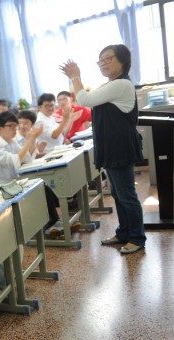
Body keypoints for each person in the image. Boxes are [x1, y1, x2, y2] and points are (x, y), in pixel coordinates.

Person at [61, 44, 146, 254]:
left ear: (123, 61)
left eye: (109, 58)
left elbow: (85, 99)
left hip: (120, 147)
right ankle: (124, 232)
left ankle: (136, 238)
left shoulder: (122, 84)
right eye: (101, 60)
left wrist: (75, 76)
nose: (104, 63)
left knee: (126, 194)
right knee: (117, 193)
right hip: (111, 147)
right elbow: (89, 100)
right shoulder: (110, 86)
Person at [0, 111, 60, 230]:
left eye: (15, 126)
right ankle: (43, 224)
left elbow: (27, 159)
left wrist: (32, 139)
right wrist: (30, 139)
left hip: (11, 185)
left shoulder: (11, 142)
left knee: (41, 184)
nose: (14, 129)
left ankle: (49, 221)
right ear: (0, 128)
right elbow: (16, 161)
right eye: (11, 126)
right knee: (38, 187)